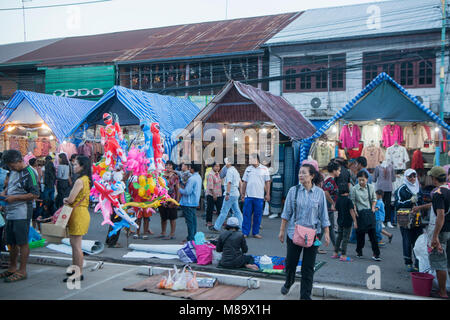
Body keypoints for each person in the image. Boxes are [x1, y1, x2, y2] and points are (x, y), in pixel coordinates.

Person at [278, 163, 330, 300]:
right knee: (291, 263)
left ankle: (305, 296)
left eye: (304, 173)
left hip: (313, 235)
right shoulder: (293, 191)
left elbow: (323, 215)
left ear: (312, 176)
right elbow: (286, 213)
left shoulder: (319, 193)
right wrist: (282, 231)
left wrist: (327, 233)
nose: (301, 175)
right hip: (293, 233)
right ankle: (289, 282)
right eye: (299, 173)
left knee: (308, 267)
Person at [0, 150, 40, 283]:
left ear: (19, 161)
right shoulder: (13, 171)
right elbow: (11, 186)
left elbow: (35, 194)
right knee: (11, 241)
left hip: (22, 212)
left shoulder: (30, 173)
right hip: (10, 211)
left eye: (12, 165)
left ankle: (22, 270)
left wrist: (14, 198)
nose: (10, 168)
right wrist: (5, 193)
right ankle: (12, 267)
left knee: (22, 242)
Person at [394, 169, 430, 272]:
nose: (413, 179)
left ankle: (418, 263)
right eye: (410, 177)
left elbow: (422, 201)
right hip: (404, 216)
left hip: (417, 216)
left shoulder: (418, 188)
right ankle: (408, 263)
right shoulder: (401, 189)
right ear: (406, 177)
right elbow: (397, 204)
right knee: (407, 239)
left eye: (414, 176)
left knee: (418, 240)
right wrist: (410, 201)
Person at [62, 155, 92, 283]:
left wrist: (65, 199)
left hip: (77, 214)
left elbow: (71, 199)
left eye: (75, 165)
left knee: (76, 246)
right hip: (82, 212)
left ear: (82, 166)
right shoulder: (86, 180)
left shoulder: (79, 181)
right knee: (75, 245)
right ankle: (76, 271)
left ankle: (77, 273)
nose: (73, 167)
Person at [428, 166, 450, 299]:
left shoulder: (438, 193)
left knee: (440, 262)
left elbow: (440, 215)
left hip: (442, 231)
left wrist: (435, 236)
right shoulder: (448, 190)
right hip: (449, 230)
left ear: (434, 179)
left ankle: (442, 292)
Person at [350, 170, 381, 261]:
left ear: (367, 179)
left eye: (363, 180)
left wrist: (373, 207)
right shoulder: (354, 189)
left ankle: (376, 254)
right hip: (360, 213)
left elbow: (374, 199)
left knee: (373, 235)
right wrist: (355, 212)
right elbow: (353, 202)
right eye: (359, 180)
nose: (361, 182)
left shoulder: (370, 187)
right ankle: (359, 251)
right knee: (360, 235)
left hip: (369, 213)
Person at [241, 153, 271, 239]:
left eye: (251, 159)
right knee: (246, 215)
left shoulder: (264, 169)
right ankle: (245, 232)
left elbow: (267, 182)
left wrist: (268, 194)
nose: (249, 161)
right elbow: (244, 182)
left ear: (256, 159)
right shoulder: (248, 169)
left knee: (258, 216)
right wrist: (242, 194)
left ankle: (255, 232)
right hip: (248, 196)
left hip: (259, 197)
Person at [210, 157, 243, 233]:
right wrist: (241, 193)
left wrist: (227, 193)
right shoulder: (235, 171)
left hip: (230, 193)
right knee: (237, 211)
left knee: (224, 211)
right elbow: (240, 182)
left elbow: (229, 183)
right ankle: (241, 226)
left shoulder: (230, 171)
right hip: (235, 193)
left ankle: (216, 227)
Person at [321, 161, 340, 254]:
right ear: (334, 171)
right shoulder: (330, 180)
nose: (339, 172)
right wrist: (333, 203)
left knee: (329, 226)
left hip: (328, 206)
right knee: (323, 226)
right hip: (328, 207)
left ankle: (336, 246)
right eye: (339, 170)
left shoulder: (328, 178)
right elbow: (326, 192)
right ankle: (314, 246)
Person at [179, 163, 202, 242]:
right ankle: (192, 237)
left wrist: (179, 189)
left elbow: (187, 191)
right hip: (194, 201)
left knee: (190, 222)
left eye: (189, 168)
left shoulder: (192, 179)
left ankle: (191, 238)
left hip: (188, 202)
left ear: (192, 169)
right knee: (193, 221)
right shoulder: (198, 177)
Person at [333, 186, 357, 262]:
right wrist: (355, 221)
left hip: (340, 221)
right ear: (347, 192)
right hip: (347, 222)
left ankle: (335, 253)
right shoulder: (349, 200)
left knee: (339, 237)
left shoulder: (339, 200)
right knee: (345, 238)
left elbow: (335, 209)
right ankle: (343, 255)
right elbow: (351, 211)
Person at [158, 160, 180, 240]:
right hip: (162, 199)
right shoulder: (161, 175)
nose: (168, 167)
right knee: (163, 217)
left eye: (170, 165)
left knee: (172, 217)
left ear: (172, 167)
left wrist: (176, 200)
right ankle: (163, 232)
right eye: (167, 165)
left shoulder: (175, 176)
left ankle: (172, 233)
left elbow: (177, 189)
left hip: (172, 199)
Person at [205, 162, 223, 228]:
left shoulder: (217, 174)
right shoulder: (210, 174)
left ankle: (220, 222)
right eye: (216, 166)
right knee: (210, 209)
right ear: (212, 167)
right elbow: (210, 186)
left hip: (219, 194)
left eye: (218, 166)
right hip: (211, 194)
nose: (217, 167)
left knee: (220, 208)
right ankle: (209, 222)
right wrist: (214, 195)